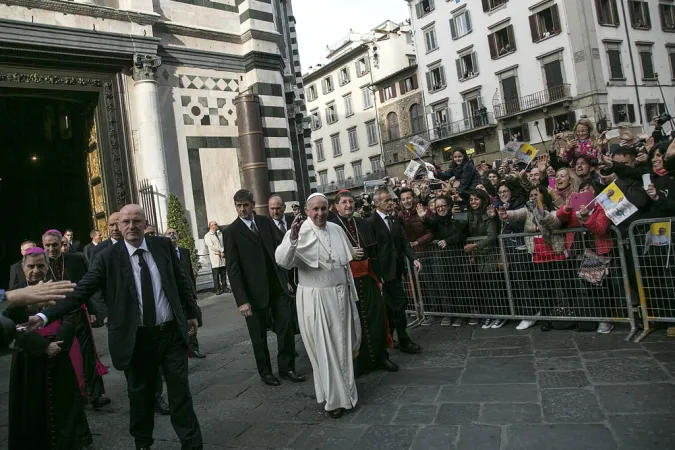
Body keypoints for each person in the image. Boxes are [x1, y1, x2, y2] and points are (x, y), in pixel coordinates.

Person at [29, 204, 203, 450]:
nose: (131, 226)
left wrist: (191, 312)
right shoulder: (107, 257)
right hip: (136, 339)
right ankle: (143, 443)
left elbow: (180, 280)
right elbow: (80, 292)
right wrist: (44, 316)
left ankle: (192, 443)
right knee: (140, 396)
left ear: (145, 223)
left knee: (180, 394)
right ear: (119, 226)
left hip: (170, 334)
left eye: (137, 221)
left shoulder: (162, 247)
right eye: (126, 222)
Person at [275, 193, 362, 419]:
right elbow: (283, 260)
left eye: (323, 209)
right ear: (306, 211)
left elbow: (344, 261)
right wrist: (293, 240)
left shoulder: (336, 229)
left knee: (342, 346)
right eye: (315, 209)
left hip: (340, 295)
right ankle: (334, 401)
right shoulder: (297, 232)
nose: (320, 213)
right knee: (325, 349)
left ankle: (348, 393)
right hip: (316, 299)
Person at [7, 247, 93, 450]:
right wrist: (43, 346)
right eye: (31, 266)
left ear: (48, 266)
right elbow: (13, 327)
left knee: (65, 406)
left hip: (59, 353)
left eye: (40, 265)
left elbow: (72, 316)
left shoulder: (57, 287)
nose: (36, 270)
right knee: (32, 409)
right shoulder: (17, 293)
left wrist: (59, 345)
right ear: (23, 267)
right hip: (29, 358)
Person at [225, 189, 304, 386]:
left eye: (245, 205)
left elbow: (280, 251)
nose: (242, 209)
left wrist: (285, 279)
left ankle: (287, 368)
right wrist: (242, 301)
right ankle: (266, 372)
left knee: (285, 327)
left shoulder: (265, 222)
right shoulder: (231, 232)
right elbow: (233, 269)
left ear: (252, 204)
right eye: (238, 206)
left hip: (277, 286)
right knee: (258, 337)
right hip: (252, 293)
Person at [330, 190, 397, 375]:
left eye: (351, 201)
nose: (348, 205)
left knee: (376, 318)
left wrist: (379, 278)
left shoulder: (363, 224)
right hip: (346, 282)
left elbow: (374, 254)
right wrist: (349, 253)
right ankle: (359, 364)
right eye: (343, 202)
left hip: (368, 279)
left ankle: (381, 357)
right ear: (336, 206)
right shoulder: (331, 227)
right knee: (353, 324)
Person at [42, 229, 110, 409]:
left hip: (78, 313)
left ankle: (95, 395)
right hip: (55, 318)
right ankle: (72, 396)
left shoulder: (76, 259)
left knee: (88, 354)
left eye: (55, 245)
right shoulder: (40, 265)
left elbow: (89, 286)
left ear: (62, 244)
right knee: (64, 356)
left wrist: (95, 310)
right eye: (47, 245)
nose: (51, 249)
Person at [369, 189, 422, 354]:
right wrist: (378, 275)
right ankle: (403, 340)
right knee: (398, 305)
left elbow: (403, 242)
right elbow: (371, 251)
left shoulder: (394, 219)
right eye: (386, 201)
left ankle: (389, 339)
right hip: (384, 274)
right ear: (377, 203)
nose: (390, 203)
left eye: (391, 200)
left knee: (393, 307)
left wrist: (413, 258)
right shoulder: (370, 223)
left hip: (397, 270)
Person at [165, 228, 204, 359]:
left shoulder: (184, 252)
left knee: (192, 318)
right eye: (169, 233)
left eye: (174, 233)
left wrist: (193, 290)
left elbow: (189, 274)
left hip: (187, 292)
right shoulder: (164, 254)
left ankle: (194, 348)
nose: (172, 235)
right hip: (174, 294)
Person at [204, 221, 229, 294]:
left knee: (223, 274)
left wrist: (223, 251)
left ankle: (225, 287)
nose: (216, 225)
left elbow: (223, 243)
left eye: (216, 224)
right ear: (211, 226)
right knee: (216, 275)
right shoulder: (207, 236)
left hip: (222, 256)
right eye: (215, 224)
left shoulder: (219, 233)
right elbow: (211, 246)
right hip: (215, 256)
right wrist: (221, 250)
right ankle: (217, 289)